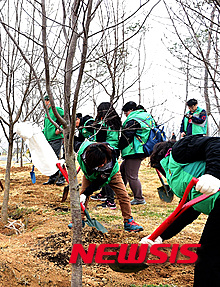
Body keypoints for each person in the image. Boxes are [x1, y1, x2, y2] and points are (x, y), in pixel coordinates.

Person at [148, 136, 220, 286]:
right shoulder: (182, 175)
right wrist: (159, 236)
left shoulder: (177, 152)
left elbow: (216, 143)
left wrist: (213, 174)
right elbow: (189, 210)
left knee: (208, 256)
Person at [72, 141, 143, 232]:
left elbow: (100, 181)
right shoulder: (83, 156)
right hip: (90, 175)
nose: (102, 165)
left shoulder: (110, 157)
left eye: (103, 163)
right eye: (99, 164)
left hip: (113, 174)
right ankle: (78, 220)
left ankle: (128, 221)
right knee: (82, 196)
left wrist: (86, 192)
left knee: (123, 196)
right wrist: (85, 193)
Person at [119, 101, 156, 205]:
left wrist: (119, 147)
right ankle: (120, 192)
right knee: (123, 170)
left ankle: (139, 198)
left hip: (135, 150)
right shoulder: (146, 116)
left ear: (131, 110)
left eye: (126, 112)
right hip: (142, 148)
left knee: (132, 175)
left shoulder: (133, 119)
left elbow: (127, 136)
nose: (126, 115)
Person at [88, 102, 122, 210]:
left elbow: (99, 141)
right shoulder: (115, 123)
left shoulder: (103, 125)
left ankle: (110, 201)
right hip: (115, 149)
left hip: (106, 151)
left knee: (106, 174)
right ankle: (103, 194)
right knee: (108, 172)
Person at [42, 95, 66, 185]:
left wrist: (59, 129)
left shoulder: (56, 110)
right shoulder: (47, 113)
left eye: (44, 101)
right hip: (48, 139)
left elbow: (65, 119)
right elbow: (46, 127)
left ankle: (61, 178)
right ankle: (53, 178)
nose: (43, 104)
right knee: (50, 159)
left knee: (55, 158)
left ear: (48, 101)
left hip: (56, 138)